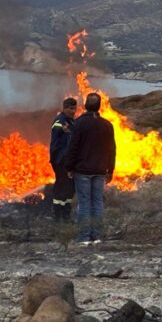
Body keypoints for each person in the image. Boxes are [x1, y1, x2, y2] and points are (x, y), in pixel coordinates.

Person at [64, 93, 116, 245]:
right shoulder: (107, 125)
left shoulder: (79, 123)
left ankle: (84, 237)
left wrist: (69, 166)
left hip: (83, 171)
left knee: (85, 203)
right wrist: (110, 170)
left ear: (86, 105)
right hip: (100, 170)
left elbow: (73, 147)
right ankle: (97, 236)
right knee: (97, 202)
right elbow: (112, 149)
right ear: (99, 106)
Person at [49, 97, 77, 222]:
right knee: (61, 184)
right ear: (64, 108)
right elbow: (56, 127)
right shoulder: (60, 120)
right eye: (70, 108)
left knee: (70, 186)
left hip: (68, 160)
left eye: (74, 108)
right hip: (59, 160)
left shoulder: (72, 121)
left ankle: (66, 211)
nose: (73, 110)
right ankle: (57, 213)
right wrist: (63, 129)